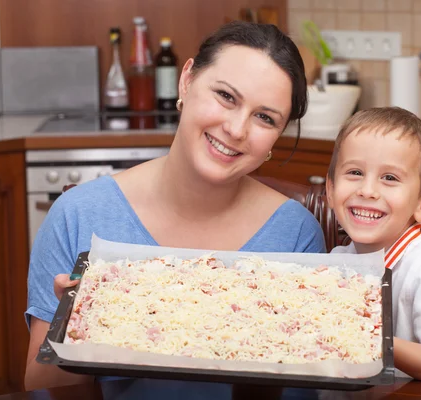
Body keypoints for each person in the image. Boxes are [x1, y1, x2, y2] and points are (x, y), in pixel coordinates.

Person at [24, 21, 325, 398]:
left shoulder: (297, 234)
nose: (236, 128)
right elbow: (39, 388)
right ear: (186, 81)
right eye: (226, 96)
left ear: (276, 138)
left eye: (265, 117)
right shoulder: (76, 215)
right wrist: (73, 331)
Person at [326, 107, 421, 384]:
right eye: (354, 172)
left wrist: (372, 338)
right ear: (330, 190)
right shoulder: (336, 264)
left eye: (390, 178)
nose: (367, 190)